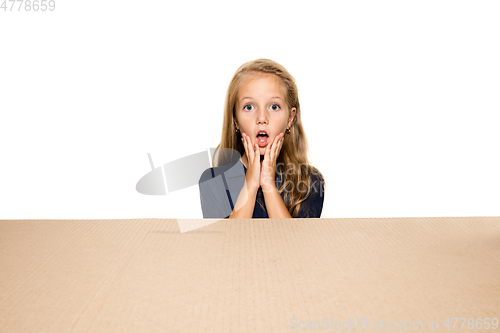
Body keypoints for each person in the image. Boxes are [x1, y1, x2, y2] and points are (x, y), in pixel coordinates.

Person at [198, 59, 325, 218]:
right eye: (249, 107)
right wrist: (250, 185)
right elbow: (228, 241)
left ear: (290, 118)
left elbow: (293, 242)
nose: (262, 118)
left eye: (274, 106)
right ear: (235, 120)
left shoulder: (309, 182)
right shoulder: (213, 181)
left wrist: (268, 186)